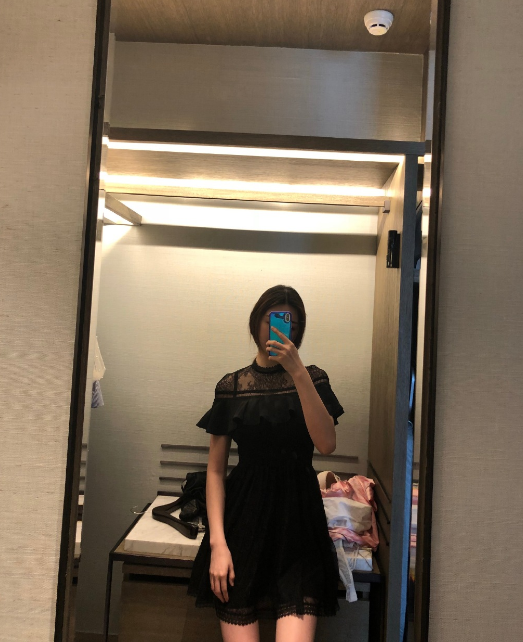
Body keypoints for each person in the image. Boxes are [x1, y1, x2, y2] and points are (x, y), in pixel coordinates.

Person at [187, 285, 345, 642]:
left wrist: (298, 371)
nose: (281, 329)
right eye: (272, 319)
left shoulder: (314, 378)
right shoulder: (232, 386)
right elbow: (215, 471)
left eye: (291, 323)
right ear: (256, 322)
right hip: (244, 521)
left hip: (299, 524)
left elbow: (327, 444)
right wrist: (218, 545)